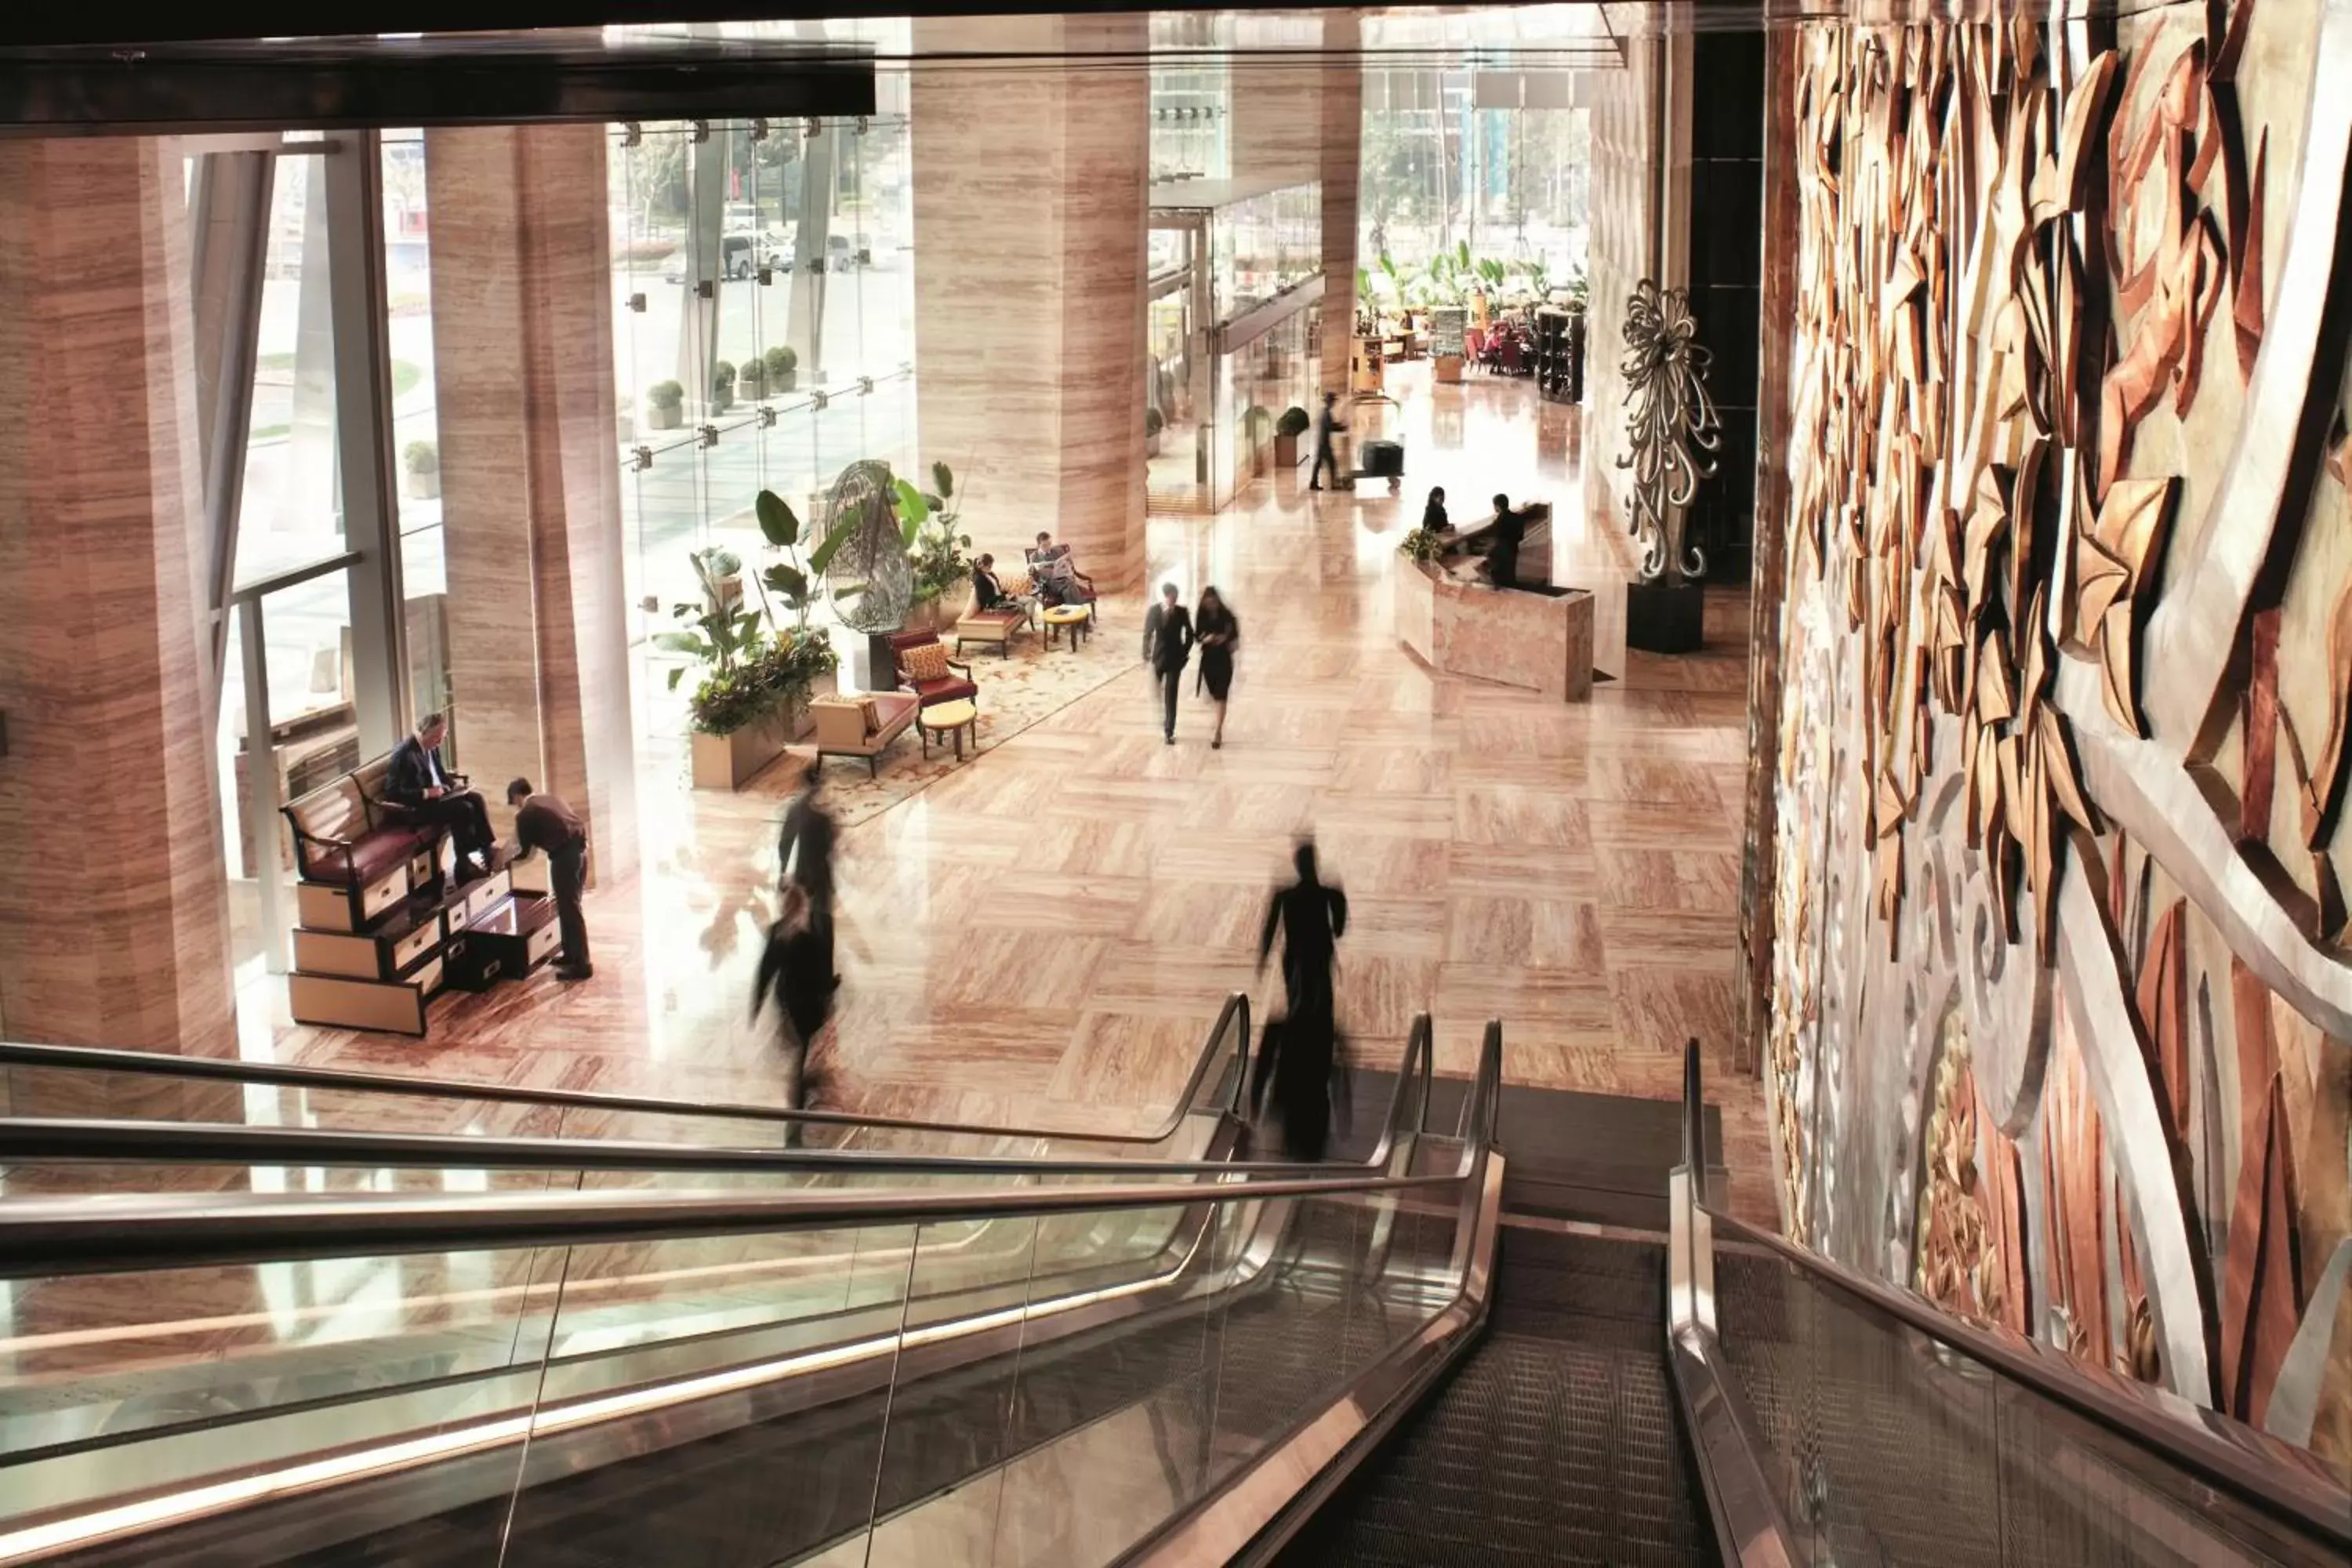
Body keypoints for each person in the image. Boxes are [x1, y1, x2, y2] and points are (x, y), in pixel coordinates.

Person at [753, 882, 834, 1112]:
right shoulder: (811, 931)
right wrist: (829, 991)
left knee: (801, 1046)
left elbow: (766, 970)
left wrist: (757, 1002)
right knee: (803, 1046)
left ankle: (805, 1086)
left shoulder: (779, 932)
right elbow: (820, 969)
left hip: (790, 1000)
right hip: (806, 1002)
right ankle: (802, 1091)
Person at [387, 713, 495, 881]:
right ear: (424, 732)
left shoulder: (431, 747)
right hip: (418, 807)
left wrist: (453, 786)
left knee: (476, 799)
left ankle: (487, 851)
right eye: (437, 738)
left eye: (442, 737)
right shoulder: (404, 754)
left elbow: (441, 775)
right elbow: (392, 793)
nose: (440, 742)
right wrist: (427, 792)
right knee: (463, 810)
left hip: (438, 797)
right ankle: (463, 863)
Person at [505, 779, 591, 981]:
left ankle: (582, 965)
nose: (515, 806)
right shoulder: (551, 798)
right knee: (569, 907)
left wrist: (506, 862)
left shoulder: (526, 813)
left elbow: (525, 852)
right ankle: (571, 955)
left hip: (564, 858)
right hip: (581, 852)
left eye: (514, 801)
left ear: (517, 796)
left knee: (570, 909)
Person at [1258, 838, 1349, 1025]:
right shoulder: (1328, 894)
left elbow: (1271, 927)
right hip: (1320, 951)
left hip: (1295, 953)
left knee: (1296, 997)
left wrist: (1264, 956)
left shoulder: (1285, 895)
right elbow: (1339, 923)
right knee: (1323, 995)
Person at [778, 764, 839, 989]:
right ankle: (824, 978)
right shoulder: (823, 817)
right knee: (824, 925)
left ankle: (802, 976)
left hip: (800, 875)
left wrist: (783, 871)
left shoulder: (795, 810)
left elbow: (784, 843)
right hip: (819, 877)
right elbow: (829, 848)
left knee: (800, 925)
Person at [1141, 582, 1193, 745]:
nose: (1174, 599)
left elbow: (1190, 634)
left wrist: (1184, 652)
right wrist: (1146, 653)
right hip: (1159, 658)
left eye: (1176, 597)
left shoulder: (1182, 612)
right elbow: (1148, 634)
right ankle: (1162, 718)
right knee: (1157, 692)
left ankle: (1169, 731)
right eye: (1172, 596)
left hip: (1175, 660)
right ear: (1166, 596)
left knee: (1171, 695)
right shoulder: (1155, 611)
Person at [1193, 586, 1240, 750]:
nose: (1211, 605)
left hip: (1224, 660)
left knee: (1221, 695)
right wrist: (1207, 639)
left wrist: (1224, 640)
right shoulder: (1201, 616)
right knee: (1214, 694)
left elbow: (1235, 642)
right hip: (1208, 661)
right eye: (1208, 603)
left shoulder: (1228, 617)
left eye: (1213, 602)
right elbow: (1197, 637)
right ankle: (1217, 723)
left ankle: (1218, 731)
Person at [971, 554, 1034, 627]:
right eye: (989, 566)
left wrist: (1008, 593)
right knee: (1020, 607)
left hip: (1003, 598)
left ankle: (1025, 619)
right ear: (982, 566)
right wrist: (1004, 597)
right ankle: (1021, 622)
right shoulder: (979, 580)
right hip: (996, 604)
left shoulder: (990, 574)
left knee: (1031, 600)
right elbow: (986, 601)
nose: (991, 568)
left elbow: (997, 589)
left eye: (991, 566)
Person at [1486, 492, 1530, 591]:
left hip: (1502, 554)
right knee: (1510, 575)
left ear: (1497, 506)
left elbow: (1497, 540)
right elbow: (1520, 537)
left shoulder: (1498, 522)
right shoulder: (1518, 518)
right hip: (1513, 549)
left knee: (1489, 561)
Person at [1308, 391, 1345, 491]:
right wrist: (1342, 427)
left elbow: (1331, 425)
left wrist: (1340, 426)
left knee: (1319, 463)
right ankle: (1333, 484)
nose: (1334, 404)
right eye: (1333, 401)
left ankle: (1313, 483)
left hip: (1322, 442)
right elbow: (1331, 427)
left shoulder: (1324, 413)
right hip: (1324, 444)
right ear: (1330, 402)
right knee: (1332, 464)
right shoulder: (1326, 414)